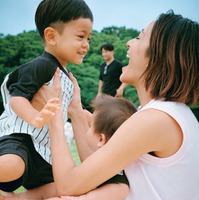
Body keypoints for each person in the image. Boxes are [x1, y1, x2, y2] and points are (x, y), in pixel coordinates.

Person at [33, 10, 199, 200]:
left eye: (139, 37)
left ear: (160, 55)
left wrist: (53, 115)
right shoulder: (165, 113)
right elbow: (96, 175)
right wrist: (76, 111)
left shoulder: (156, 119)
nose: (129, 42)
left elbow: (68, 185)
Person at [0, 0, 93, 194]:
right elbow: (17, 99)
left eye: (89, 39)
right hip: (21, 139)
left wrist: (89, 117)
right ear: (51, 36)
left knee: (63, 188)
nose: (86, 45)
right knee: (12, 166)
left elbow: (70, 109)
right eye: (80, 37)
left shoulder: (67, 77)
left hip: (45, 150)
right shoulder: (42, 66)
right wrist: (35, 117)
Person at [1, 90, 137, 199]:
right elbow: (83, 114)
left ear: (101, 139)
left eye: (91, 125)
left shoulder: (118, 186)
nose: (87, 121)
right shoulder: (107, 159)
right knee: (53, 188)